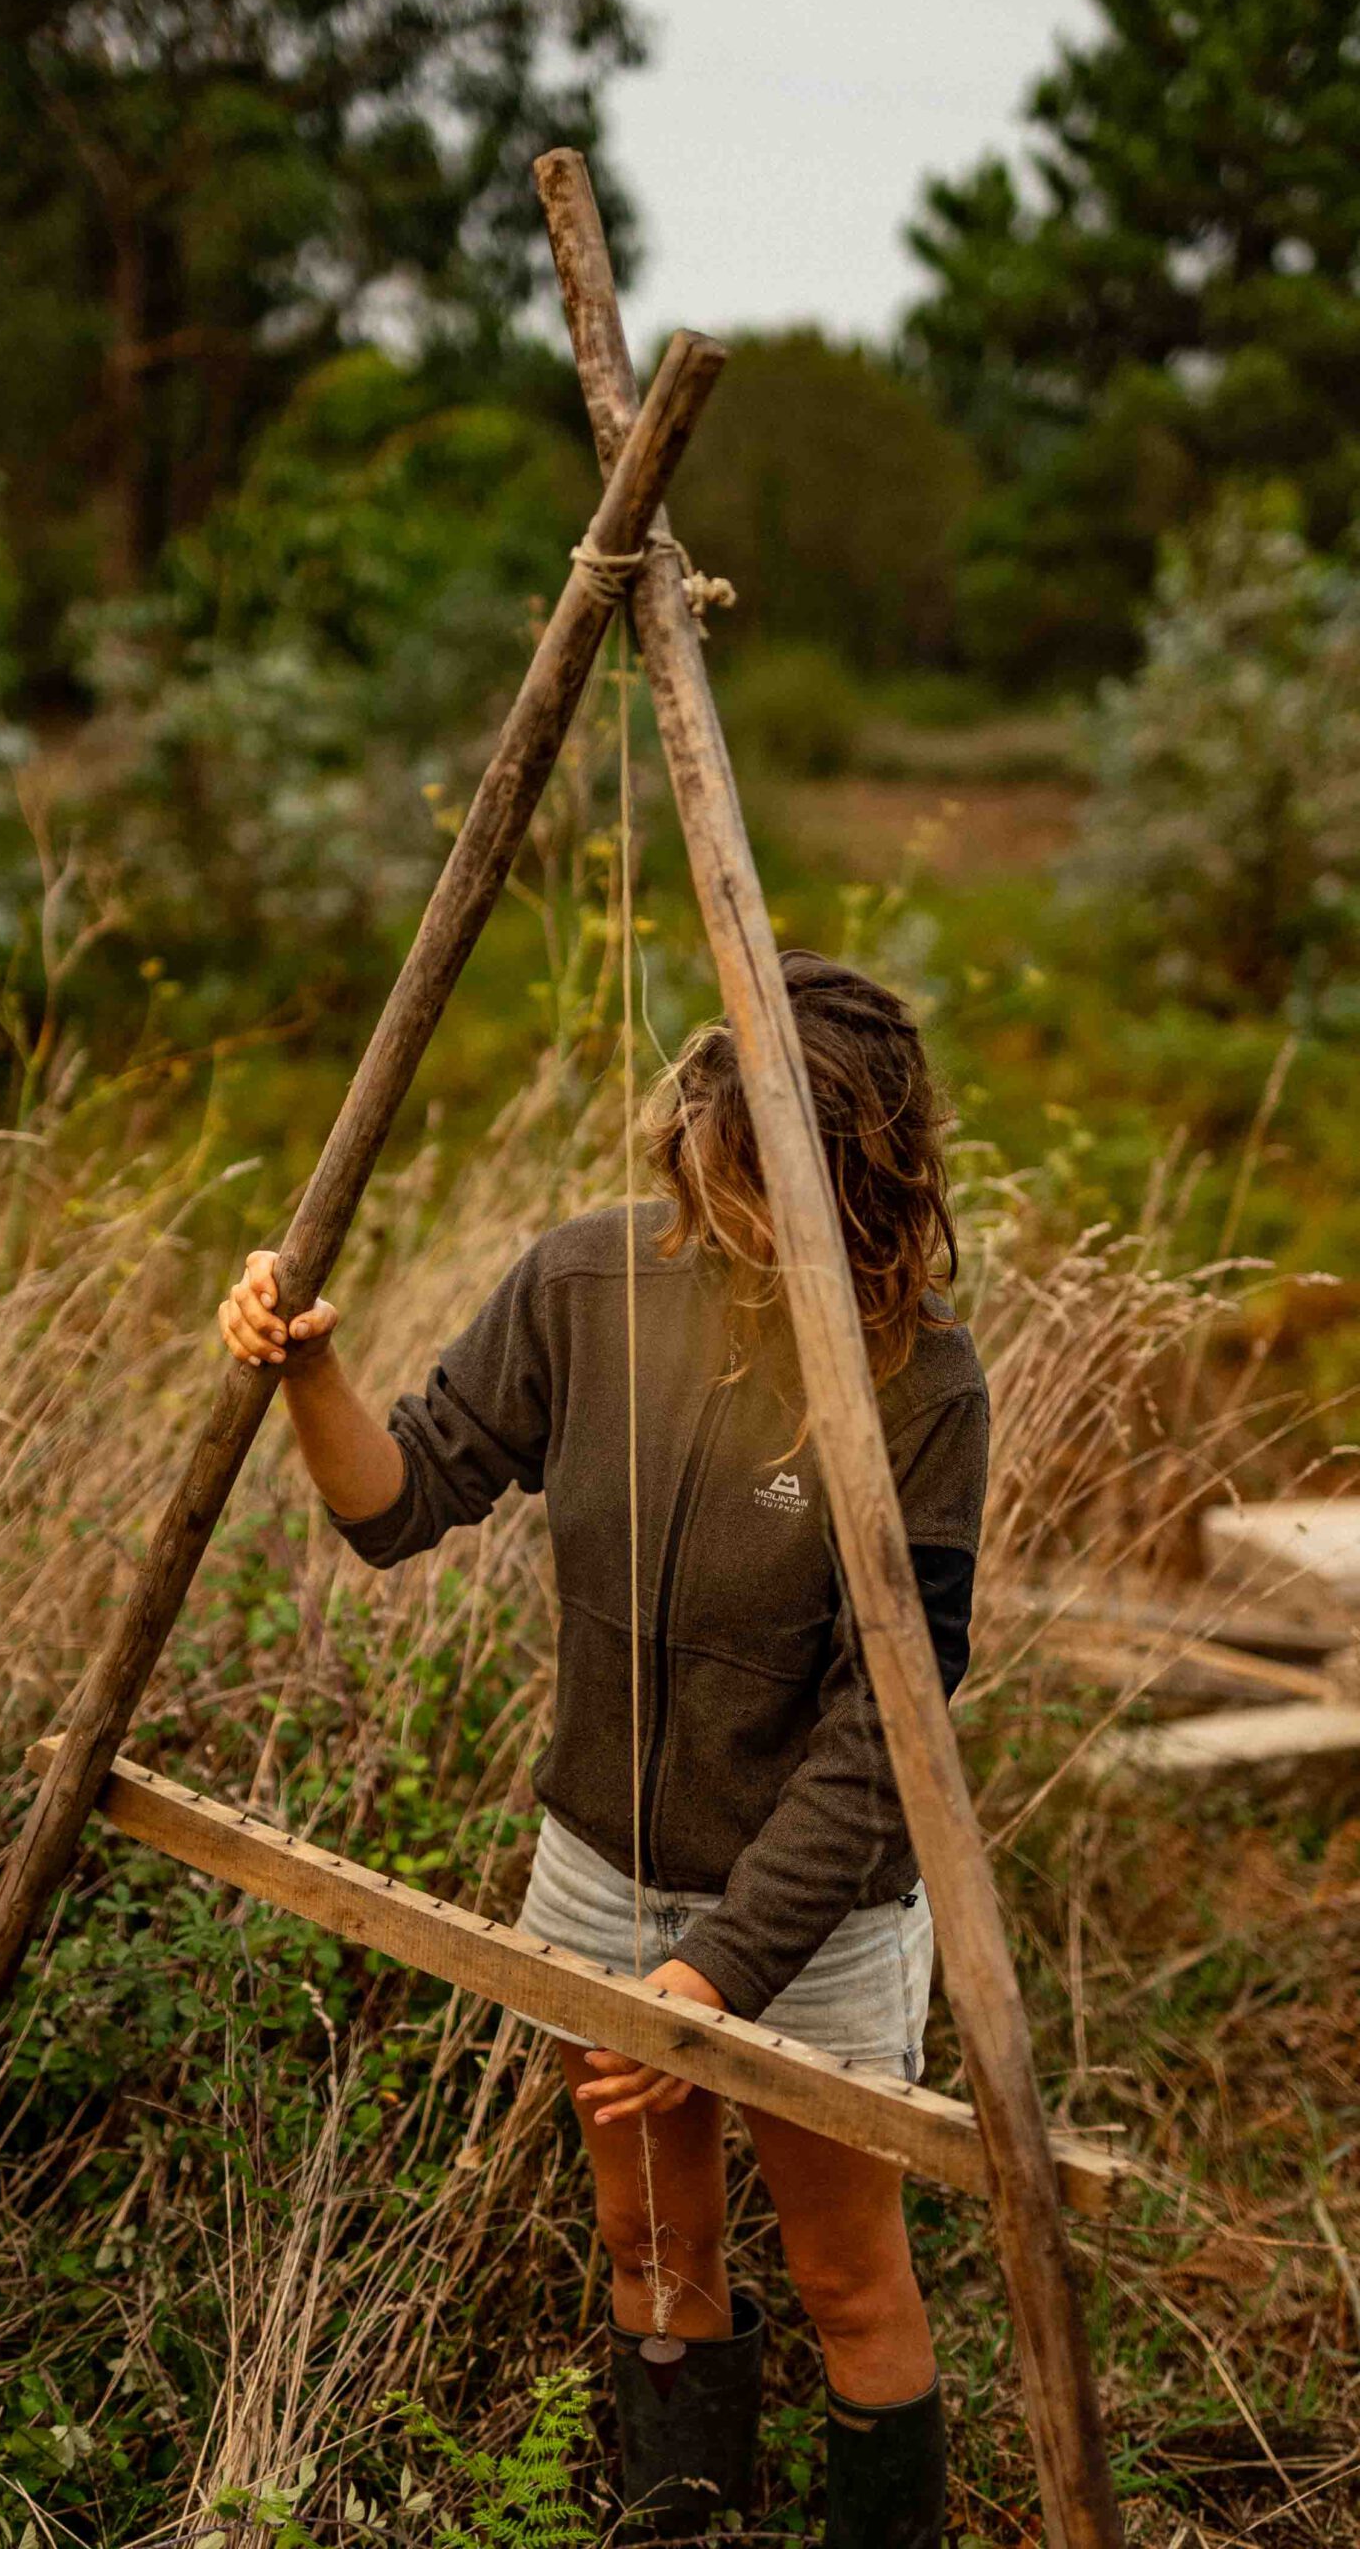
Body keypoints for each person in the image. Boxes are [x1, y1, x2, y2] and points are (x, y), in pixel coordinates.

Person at [218, 951, 988, 2549]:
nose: (710, 1215)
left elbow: (885, 1738)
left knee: (851, 2280)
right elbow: (399, 1502)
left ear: (857, 1172)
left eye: (749, 1177)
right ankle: (680, 2527)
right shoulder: (584, 1280)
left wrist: (713, 1981)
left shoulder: (921, 1381)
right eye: (700, 1171)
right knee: (656, 2265)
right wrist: (307, 1369)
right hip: (599, 1884)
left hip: (814, 1925)